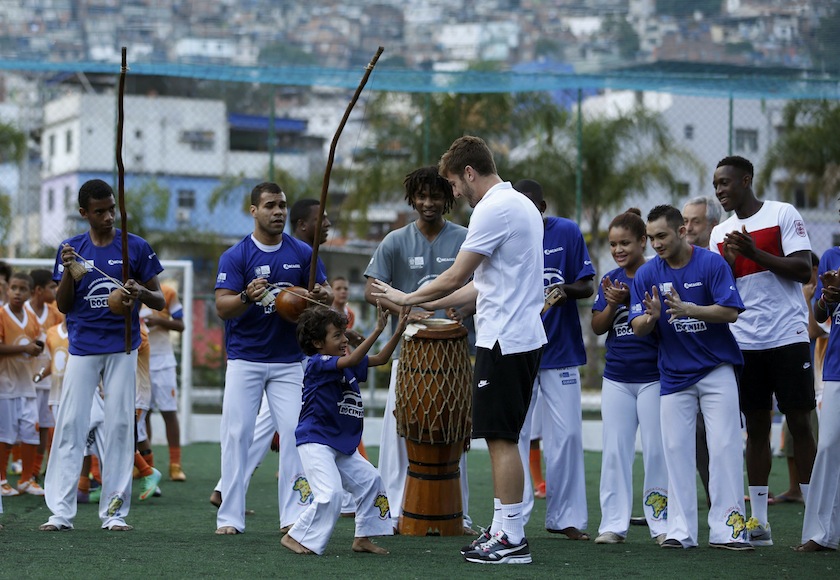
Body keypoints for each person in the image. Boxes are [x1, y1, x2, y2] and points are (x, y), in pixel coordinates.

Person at [372, 136, 546, 565]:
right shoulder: (521, 204)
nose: (453, 192)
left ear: (469, 173)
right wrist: (430, 302)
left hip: (505, 340)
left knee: (502, 440)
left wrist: (405, 297)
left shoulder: (493, 208)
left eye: (452, 183)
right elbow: (479, 285)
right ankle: (504, 529)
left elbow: (454, 277)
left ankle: (512, 540)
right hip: (516, 336)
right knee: (503, 438)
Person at [41, 178, 165, 532]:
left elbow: (159, 301)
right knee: (70, 427)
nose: (109, 216)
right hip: (82, 348)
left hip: (123, 349)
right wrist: (67, 270)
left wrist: (139, 291)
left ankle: (114, 514)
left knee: (121, 427)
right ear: (84, 214)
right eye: (100, 211)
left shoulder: (135, 248)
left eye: (111, 209)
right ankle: (60, 514)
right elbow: (63, 306)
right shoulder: (72, 249)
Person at [629, 204, 751, 551]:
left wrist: (690, 309)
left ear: (682, 231)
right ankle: (680, 531)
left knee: (726, 447)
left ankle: (729, 531)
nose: (656, 244)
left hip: (717, 370)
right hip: (673, 376)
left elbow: (730, 312)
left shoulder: (711, 263)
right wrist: (651, 319)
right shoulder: (646, 275)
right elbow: (638, 328)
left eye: (662, 236)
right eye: (651, 238)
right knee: (676, 451)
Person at [709, 155, 816, 547]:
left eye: (725, 182)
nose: (719, 189)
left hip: (787, 337)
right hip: (744, 342)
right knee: (755, 429)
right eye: (716, 183)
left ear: (746, 180)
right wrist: (734, 261)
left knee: (800, 425)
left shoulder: (783, 213)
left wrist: (754, 253)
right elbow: (725, 286)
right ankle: (758, 523)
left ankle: (817, 522)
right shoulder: (719, 232)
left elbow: (803, 270)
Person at [214, 181, 331, 535]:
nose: (278, 211)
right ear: (254, 211)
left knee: (297, 435)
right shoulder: (236, 256)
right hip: (245, 359)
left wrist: (321, 295)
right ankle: (230, 517)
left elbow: (321, 297)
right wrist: (247, 297)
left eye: (281, 205)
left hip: (288, 360)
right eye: (270, 206)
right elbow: (222, 307)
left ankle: (293, 515)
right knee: (237, 435)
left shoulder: (302, 253)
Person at [363, 165, 475, 535]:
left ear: (448, 198)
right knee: (398, 436)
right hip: (408, 356)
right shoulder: (395, 241)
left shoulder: (465, 238)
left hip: (455, 357)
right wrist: (405, 308)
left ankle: (459, 512)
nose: (429, 202)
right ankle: (395, 510)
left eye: (436, 195)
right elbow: (372, 290)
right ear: (412, 199)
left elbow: (485, 284)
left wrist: (467, 307)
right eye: (422, 196)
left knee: (455, 434)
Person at [281, 304, 407, 555]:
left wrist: (398, 332)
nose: (344, 339)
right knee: (331, 493)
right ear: (318, 343)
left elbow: (380, 358)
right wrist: (378, 329)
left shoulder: (346, 364)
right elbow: (352, 358)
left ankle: (363, 538)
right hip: (315, 440)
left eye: (344, 334)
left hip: (340, 442)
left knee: (371, 480)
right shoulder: (317, 363)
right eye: (337, 335)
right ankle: (295, 536)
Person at [513, 178, 595, 540]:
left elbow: (587, 285)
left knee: (568, 436)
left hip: (560, 351)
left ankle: (567, 519)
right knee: (516, 434)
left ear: (543, 208)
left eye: (533, 207)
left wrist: (565, 290)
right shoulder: (509, 233)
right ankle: (512, 518)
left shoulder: (567, 232)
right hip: (518, 350)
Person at [591, 208, 667, 545]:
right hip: (617, 377)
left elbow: (667, 327)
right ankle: (613, 524)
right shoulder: (611, 279)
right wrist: (612, 304)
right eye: (613, 244)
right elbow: (596, 327)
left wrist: (640, 304)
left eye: (626, 243)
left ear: (642, 242)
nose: (619, 250)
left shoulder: (657, 274)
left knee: (656, 451)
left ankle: (661, 523)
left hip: (654, 376)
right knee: (615, 451)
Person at [797, 249, 840, 552]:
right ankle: (822, 533)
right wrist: (828, 298)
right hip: (837, 366)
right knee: (828, 446)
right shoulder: (832, 257)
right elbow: (822, 315)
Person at [682, 195, 722, 510]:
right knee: (697, 435)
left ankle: (730, 500)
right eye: (685, 220)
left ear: (714, 225)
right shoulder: (676, 260)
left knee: (727, 435)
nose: (688, 227)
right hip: (687, 362)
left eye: (696, 221)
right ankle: (713, 497)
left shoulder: (722, 260)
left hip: (727, 358)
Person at [0, 272, 45, 497]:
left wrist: (38, 347)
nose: (17, 293)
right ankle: (1, 480)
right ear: (7, 290)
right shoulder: (1, 314)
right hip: (5, 386)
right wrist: (25, 348)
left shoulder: (31, 318)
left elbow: (38, 342)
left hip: (27, 385)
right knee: (5, 436)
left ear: (29, 293)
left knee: (31, 433)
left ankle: (26, 480)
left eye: (22, 289)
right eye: (14, 288)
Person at [141, 283, 186, 481]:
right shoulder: (128, 289)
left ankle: (175, 464)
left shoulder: (167, 292)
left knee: (169, 412)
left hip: (163, 361)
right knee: (143, 413)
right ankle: (146, 465)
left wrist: (158, 321)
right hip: (140, 361)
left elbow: (180, 325)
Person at [25, 269, 65, 487]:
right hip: (24, 379)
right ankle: (22, 471)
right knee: (27, 427)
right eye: (52, 286)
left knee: (45, 428)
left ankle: (34, 473)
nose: (55, 290)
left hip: (48, 380)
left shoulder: (55, 313)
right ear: (39, 290)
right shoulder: (21, 311)